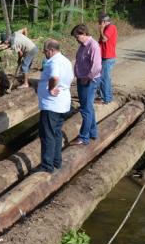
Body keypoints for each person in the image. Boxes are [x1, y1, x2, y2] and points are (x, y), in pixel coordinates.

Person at [36, 39, 74, 173]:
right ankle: (57, 161)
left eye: (45, 51)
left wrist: (51, 89)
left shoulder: (54, 62)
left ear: (51, 50)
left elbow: (55, 77)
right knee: (56, 133)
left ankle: (47, 166)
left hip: (51, 105)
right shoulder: (66, 60)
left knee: (47, 135)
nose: (44, 54)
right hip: (62, 103)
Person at [71, 24, 102, 145]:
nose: (76, 39)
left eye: (77, 36)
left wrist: (87, 78)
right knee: (88, 108)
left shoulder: (93, 45)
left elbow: (97, 66)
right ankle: (93, 132)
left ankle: (83, 137)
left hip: (88, 81)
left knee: (85, 110)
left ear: (83, 33)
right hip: (82, 79)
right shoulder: (83, 45)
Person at [97, 12, 117, 104]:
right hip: (104, 56)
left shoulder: (110, 27)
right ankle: (104, 96)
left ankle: (107, 98)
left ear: (104, 21)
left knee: (104, 78)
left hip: (107, 57)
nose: (98, 24)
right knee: (103, 78)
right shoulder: (107, 28)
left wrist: (101, 29)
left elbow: (104, 39)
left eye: (99, 22)